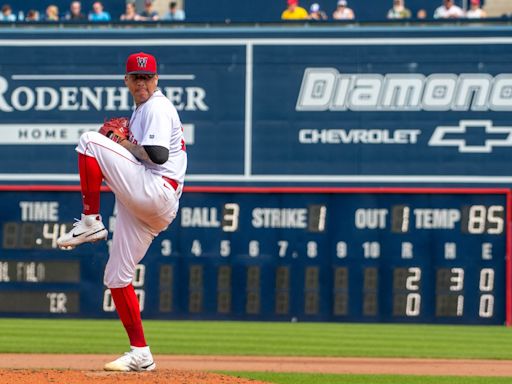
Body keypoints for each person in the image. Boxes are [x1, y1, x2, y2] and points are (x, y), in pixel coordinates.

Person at [56, 52, 187, 371]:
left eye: (147, 77)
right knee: (117, 276)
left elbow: (156, 155)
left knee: (89, 141)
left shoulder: (156, 105)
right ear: (126, 81)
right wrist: (124, 142)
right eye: (136, 77)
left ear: (156, 80)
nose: (141, 82)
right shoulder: (141, 109)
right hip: (150, 205)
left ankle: (90, 221)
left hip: (156, 188)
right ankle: (141, 354)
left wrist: (121, 143)